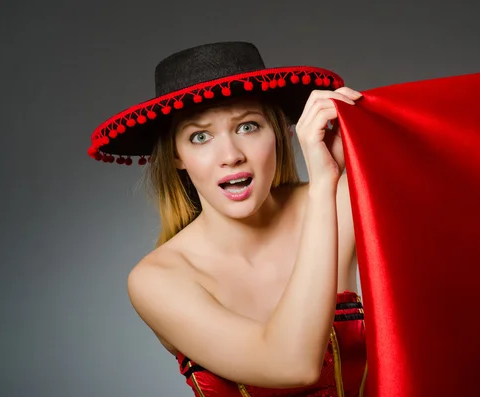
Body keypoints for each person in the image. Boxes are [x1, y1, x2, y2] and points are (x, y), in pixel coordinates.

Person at [88, 41, 368, 396]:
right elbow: (291, 365)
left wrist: (362, 140)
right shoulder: (156, 280)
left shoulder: (337, 201)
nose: (231, 156)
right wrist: (324, 186)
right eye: (200, 136)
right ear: (177, 155)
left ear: (281, 132)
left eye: (248, 127)